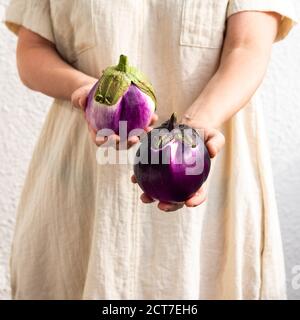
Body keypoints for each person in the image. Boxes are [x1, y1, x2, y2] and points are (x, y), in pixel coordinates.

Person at [4, 0, 297, 299]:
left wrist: (195, 130)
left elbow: (247, 47)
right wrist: (89, 93)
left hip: (212, 182)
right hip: (80, 185)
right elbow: (32, 49)